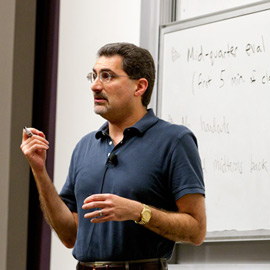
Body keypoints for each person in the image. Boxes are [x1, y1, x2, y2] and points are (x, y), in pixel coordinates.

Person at [21, 42, 206, 270]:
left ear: (139, 87)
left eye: (107, 76)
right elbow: (70, 235)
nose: (95, 86)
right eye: (94, 76)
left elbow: (196, 230)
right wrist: (39, 170)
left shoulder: (175, 141)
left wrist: (139, 212)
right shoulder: (85, 146)